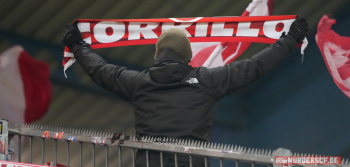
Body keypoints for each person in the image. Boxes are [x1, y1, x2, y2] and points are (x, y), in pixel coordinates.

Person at [62, 16, 308, 167]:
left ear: (157, 55)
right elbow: (254, 67)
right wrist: (290, 39)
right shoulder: (206, 81)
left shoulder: (138, 83)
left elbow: (100, 70)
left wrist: (77, 44)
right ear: (188, 57)